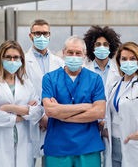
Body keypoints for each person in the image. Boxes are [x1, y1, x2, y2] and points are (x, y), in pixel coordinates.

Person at [42, 36, 106, 167]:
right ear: (63, 53)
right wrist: (85, 107)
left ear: (85, 55)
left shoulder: (95, 79)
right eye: (70, 52)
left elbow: (99, 112)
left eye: (78, 53)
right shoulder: (49, 78)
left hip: (88, 148)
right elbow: (50, 110)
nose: (74, 56)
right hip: (58, 147)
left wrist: (62, 114)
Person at [0, 41, 43, 167]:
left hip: (23, 143)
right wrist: (23, 113)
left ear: (21, 60)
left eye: (16, 57)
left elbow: (38, 111)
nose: (12, 61)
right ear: (1, 58)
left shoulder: (26, 84)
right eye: (8, 57)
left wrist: (10, 108)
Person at [25, 19, 64, 161]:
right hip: (31, 121)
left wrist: (51, 116)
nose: (41, 37)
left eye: (45, 33)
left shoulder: (59, 63)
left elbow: (62, 92)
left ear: (49, 35)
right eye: (37, 33)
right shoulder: (23, 62)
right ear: (30, 36)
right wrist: (40, 117)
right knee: (28, 161)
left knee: (51, 161)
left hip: (54, 121)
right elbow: (24, 93)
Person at [83, 25, 121, 92]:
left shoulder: (118, 71)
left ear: (110, 47)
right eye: (98, 44)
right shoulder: (85, 72)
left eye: (105, 44)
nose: (102, 47)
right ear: (92, 47)